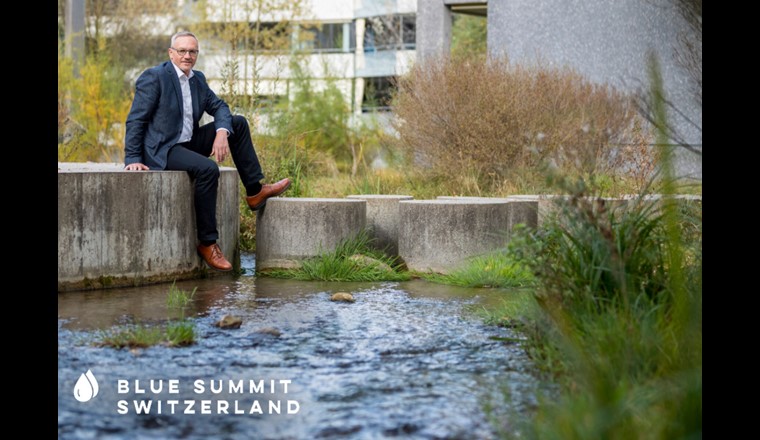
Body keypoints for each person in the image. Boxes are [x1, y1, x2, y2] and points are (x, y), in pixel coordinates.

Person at [124, 30, 290, 272]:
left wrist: (222, 131)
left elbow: (220, 106)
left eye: (192, 51)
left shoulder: (197, 79)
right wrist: (133, 158)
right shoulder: (155, 77)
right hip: (163, 149)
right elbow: (135, 120)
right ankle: (208, 243)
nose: (187, 55)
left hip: (189, 142)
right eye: (182, 51)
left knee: (238, 122)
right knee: (208, 169)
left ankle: (254, 191)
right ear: (171, 53)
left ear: (197, 54)